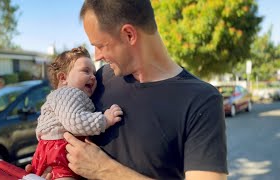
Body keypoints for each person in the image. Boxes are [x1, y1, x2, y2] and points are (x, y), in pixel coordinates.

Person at [27, 0, 228, 179]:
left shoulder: (202, 100)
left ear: (129, 34)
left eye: (101, 45)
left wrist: (105, 171)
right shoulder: (99, 79)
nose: (97, 57)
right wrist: (49, 167)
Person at [31, 47, 123, 180]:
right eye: (85, 71)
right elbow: (75, 121)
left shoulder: (59, 97)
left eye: (94, 72)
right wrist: (105, 119)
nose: (93, 76)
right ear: (63, 78)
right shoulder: (68, 93)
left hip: (51, 151)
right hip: (59, 152)